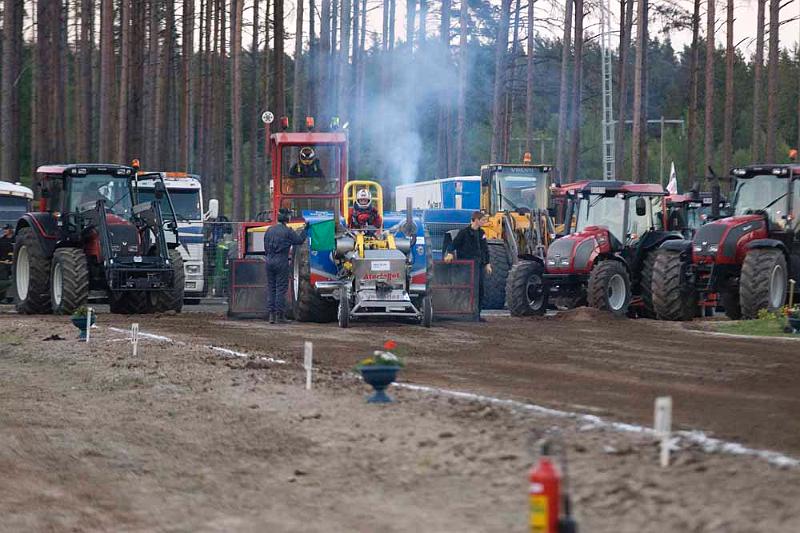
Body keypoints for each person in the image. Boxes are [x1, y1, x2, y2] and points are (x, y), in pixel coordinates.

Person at [263, 208, 308, 324]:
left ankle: (271, 316)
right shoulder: (288, 231)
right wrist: (305, 229)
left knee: (271, 288)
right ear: (287, 218)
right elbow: (299, 240)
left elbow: (265, 246)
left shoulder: (269, 230)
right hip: (281, 261)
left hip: (269, 261)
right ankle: (280, 316)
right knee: (280, 289)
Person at [444, 211, 492, 316]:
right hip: (466, 267)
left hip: (478, 266)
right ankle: (463, 312)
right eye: (483, 220)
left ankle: (476, 314)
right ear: (476, 220)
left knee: (479, 289)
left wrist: (487, 263)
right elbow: (453, 245)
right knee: (465, 289)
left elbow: (485, 249)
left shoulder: (482, 233)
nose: (484, 222)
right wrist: (450, 254)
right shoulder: (463, 233)